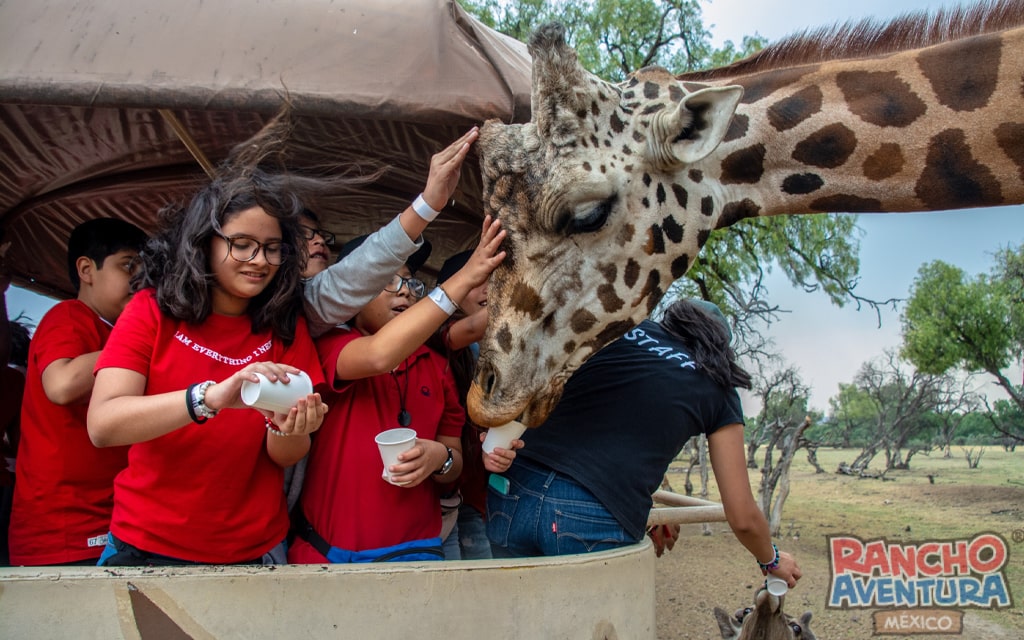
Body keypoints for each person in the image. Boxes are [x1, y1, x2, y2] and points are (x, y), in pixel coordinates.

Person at [86, 166, 335, 566]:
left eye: (273, 248)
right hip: (146, 545)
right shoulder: (152, 310)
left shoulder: (285, 327)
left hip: (255, 550)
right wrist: (210, 397)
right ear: (203, 243)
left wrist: (289, 427)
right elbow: (103, 424)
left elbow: (286, 455)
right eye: (242, 244)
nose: (260, 261)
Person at [486, 299, 802, 589]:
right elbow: (743, 516)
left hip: (514, 490)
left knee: (511, 618)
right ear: (719, 344)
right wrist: (771, 559)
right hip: (593, 512)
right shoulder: (716, 386)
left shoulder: (616, 330)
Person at [288, 216, 506, 564]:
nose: (404, 289)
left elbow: (454, 465)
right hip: (329, 558)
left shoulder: (436, 366)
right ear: (352, 295)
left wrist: (440, 458)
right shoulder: (330, 346)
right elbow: (377, 356)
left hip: (419, 555)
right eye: (387, 281)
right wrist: (466, 276)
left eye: (409, 282)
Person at [8, 219, 148, 566]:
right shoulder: (68, 316)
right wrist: (139, 341)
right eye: (128, 265)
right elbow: (62, 384)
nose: (139, 279)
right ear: (87, 269)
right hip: (64, 527)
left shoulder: (108, 329)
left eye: (144, 270)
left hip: (108, 518)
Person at [430, 250, 510, 560]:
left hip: (481, 494)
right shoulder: (432, 337)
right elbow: (465, 331)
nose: (489, 289)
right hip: (442, 497)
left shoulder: (501, 348)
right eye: (477, 280)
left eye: (497, 281)